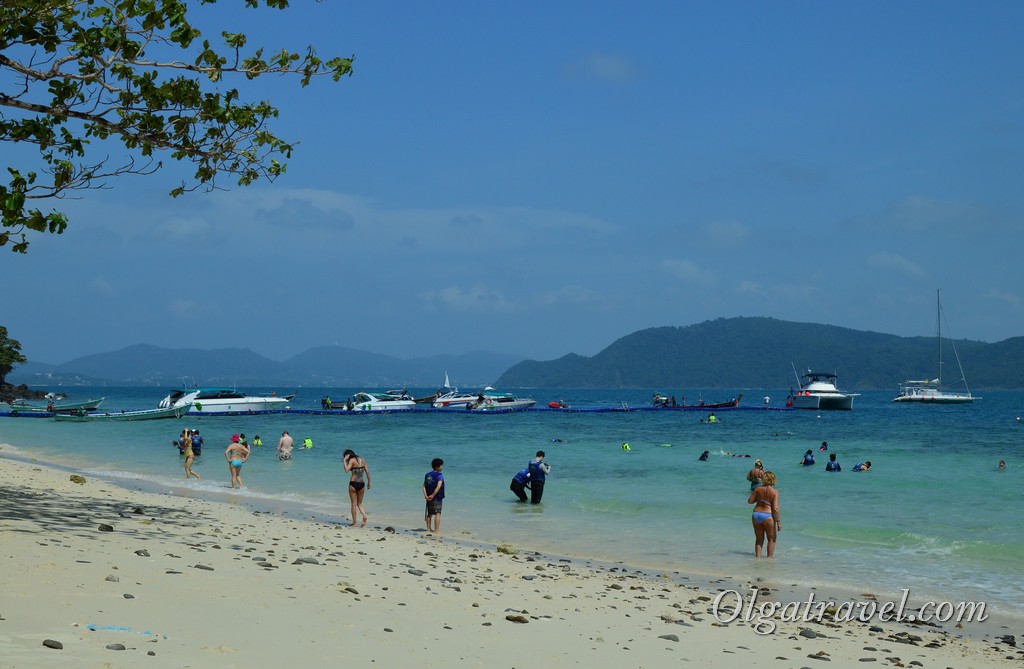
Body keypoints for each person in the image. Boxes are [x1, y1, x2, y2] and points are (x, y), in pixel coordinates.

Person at [748, 470, 780, 558]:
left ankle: (757, 559)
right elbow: (776, 509)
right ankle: (769, 561)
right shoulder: (775, 492)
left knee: (759, 539)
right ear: (773, 480)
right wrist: (778, 522)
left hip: (756, 514)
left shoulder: (757, 489)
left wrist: (759, 498)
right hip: (768, 516)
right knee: (771, 539)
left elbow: (750, 501)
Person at [343, 449, 371, 527]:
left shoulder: (351, 460)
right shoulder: (363, 460)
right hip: (362, 483)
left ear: (348, 455)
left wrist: (344, 461)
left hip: (353, 483)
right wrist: (369, 482)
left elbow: (346, 470)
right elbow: (367, 472)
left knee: (353, 504)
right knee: (360, 503)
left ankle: (354, 523)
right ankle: (364, 516)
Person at [423, 458, 445, 533]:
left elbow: (424, 486)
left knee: (429, 513)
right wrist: (432, 495)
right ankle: (436, 530)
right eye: (441, 466)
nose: (442, 467)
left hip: (428, 497)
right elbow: (438, 487)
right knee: (438, 513)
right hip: (437, 497)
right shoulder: (440, 475)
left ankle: (428, 529)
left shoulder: (427, 475)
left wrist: (426, 495)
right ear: (437, 467)